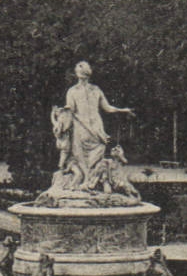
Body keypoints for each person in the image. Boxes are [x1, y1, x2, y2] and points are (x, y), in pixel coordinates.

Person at [54, 61, 135, 191]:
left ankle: (88, 181)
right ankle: (89, 181)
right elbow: (107, 108)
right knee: (89, 154)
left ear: (77, 74)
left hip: (88, 127)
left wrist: (59, 117)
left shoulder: (75, 91)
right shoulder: (91, 90)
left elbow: (71, 111)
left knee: (83, 154)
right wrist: (123, 110)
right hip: (90, 127)